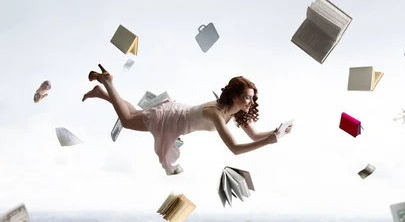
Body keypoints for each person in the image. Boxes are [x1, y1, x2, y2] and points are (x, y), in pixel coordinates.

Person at [82, 64, 293, 175]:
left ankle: (102, 93)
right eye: (247, 97)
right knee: (128, 120)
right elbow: (235, 149)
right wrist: (267, 142)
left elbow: (255, 134)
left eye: (252, 98)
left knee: (135, 114)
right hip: (169, 119)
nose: (250, 102)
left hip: (177, 113)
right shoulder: (216, 113)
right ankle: (107, 82)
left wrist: (276, 133)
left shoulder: (237, 111)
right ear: (235, 96)